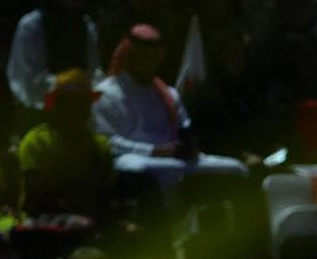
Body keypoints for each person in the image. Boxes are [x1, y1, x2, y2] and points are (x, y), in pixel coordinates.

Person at [92, 23, 247, 185]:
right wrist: (153, 151)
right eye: (143, 57)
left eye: (154, 57)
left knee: (236, 168)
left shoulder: (168, 94)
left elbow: (183, 130)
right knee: (139, 169)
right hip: (135, 160)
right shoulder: (105, 94)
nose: (149, 63)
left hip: (174, 159)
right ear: (129, 56)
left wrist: (187, 145)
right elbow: (107, 142)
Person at [19, 69, 115, 220]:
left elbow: (106, 193)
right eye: (71, 103)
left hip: (92, 223)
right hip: (44, 224)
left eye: (83, 103)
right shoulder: (37, 142)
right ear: (57, 107)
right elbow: (39, 197)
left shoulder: (100, 145)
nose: (78, 110)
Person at [6, 0, 99, 109]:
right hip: (39, 109)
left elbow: (95, 69)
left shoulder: (86, 25)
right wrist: (66, 83)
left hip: (79, 108)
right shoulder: (31, 26)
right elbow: (28, 83)